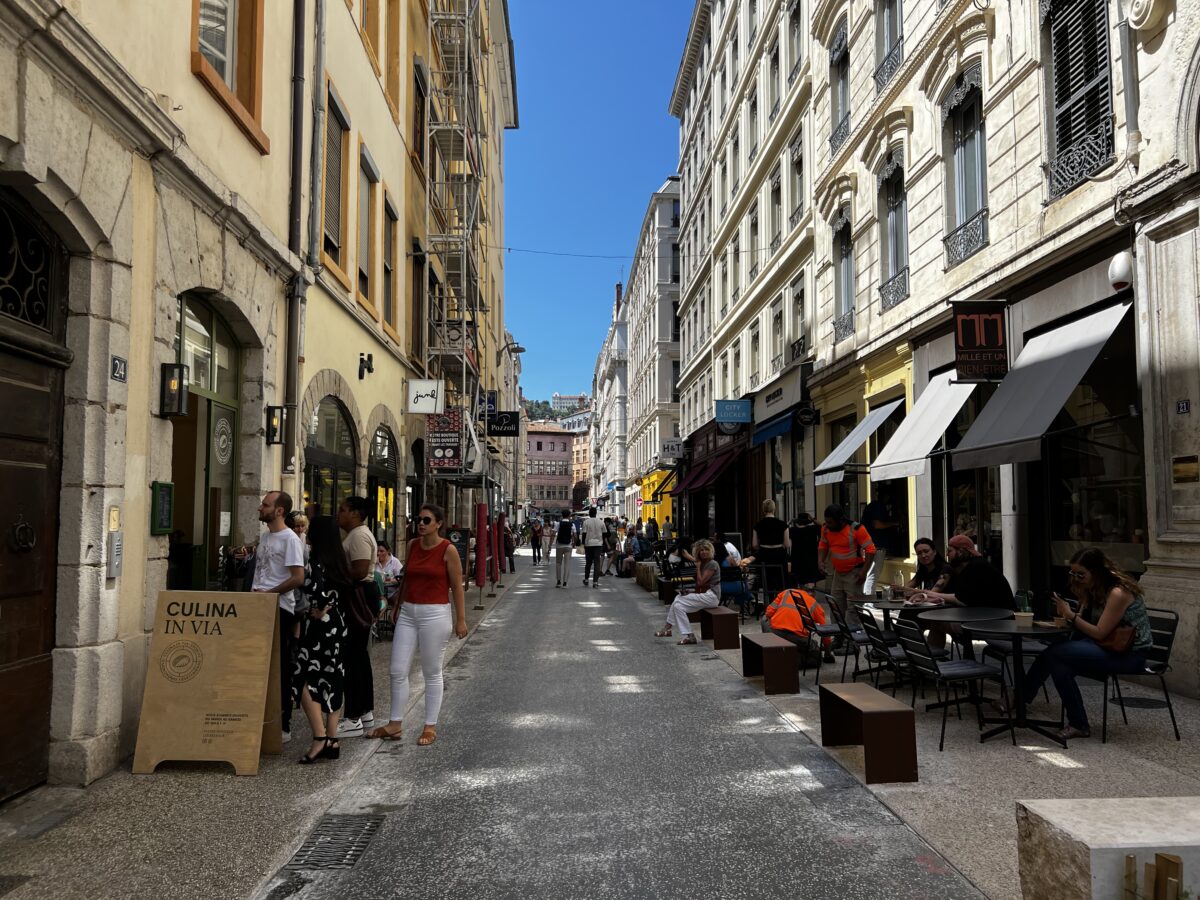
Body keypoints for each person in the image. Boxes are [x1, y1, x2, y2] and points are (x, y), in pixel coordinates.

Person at [1018, 548, 1154, 741]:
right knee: (1059, 665)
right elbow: (1085, 625)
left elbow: (1100, 632)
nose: (1076, 578)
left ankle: (1019, 699)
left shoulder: (1118, 592)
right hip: (1105, 646)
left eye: (1081, 574)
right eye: (1073, 573)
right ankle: (1078, 725)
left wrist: (1070, 614)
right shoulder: (1095, 590)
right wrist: (1075, 607)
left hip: (1129, 654)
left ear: (1097, 572)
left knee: (1055, 652)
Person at [368, 504, 468, 746]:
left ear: (438, 524)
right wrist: (399, 604)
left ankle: (430, 726)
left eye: (426, 520)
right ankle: (395, 723)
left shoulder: (448, 550)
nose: (420, 523)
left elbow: (457, 586)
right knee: (397, 669)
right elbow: (406, 579)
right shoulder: (413, 545)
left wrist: (461, 619)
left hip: (435, 613)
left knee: (431, 671)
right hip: (409, 611)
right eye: (418, 519)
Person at [294, 516, 350, 764]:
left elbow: (315, 589)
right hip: (338, 626)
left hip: (319, 627)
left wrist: (321, 609)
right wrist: (330, 607)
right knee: (333, 676)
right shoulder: (339, 560)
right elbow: (343, 589)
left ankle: (319, 737)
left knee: (304, 678)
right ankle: (332, 737)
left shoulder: (316, 561)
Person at [251, 490, 306, 742]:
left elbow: (297, 577)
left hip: (278, 608)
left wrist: (271, 594)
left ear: (279, 511)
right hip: (259, 606)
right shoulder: (266, 537)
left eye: (265, 505)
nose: (261, 508)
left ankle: (283, 724)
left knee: (281, 666)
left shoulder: (290, 539)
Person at [336, 496, 377, 738]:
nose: (339, 514)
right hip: (361, 595)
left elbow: (360, 570)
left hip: (359, 595)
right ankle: (364, 711)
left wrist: (336, 573)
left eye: (342, 510)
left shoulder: (359, 535)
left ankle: (353, 717)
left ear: (354, 513)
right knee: (358, 657)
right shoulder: (356, 534)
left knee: (352, 657)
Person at [817, 504, 875, 630]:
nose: (828, 525)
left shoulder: (856, 529)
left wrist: (864, 572)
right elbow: (823, 544)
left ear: (840, 520)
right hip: (838, 573)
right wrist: (820, 560)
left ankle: (851, 643)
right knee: (836, 607)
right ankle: (838, 637)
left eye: (831, 522)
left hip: (854, 573)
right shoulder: (826, 529)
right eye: (826, 521)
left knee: (853, 608)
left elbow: (871, 550)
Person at [655, 540, 721, 645]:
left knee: (678, 599)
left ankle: (668, 627)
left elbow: (700, 582)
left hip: (712, 596)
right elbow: (699, 586)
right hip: (704, 595)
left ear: (711, 551)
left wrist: (698, 567)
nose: (703, 552)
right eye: (701, 550)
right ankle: (689, 635)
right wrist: (690, 591)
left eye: (706, 550)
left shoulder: (712, 564)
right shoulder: (703, 563)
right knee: (678, 606)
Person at [762, 587, 836, 665]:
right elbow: (825, 634)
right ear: (814, 595)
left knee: (764, 619)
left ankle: (771, 649)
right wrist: (828, 654)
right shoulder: (816, 605)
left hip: (776, 633)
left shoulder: (786, 592)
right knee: (817, 658)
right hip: (797, 638)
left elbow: (768, 613)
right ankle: (790, 661)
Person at [861, 493, 900, 595]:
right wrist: (895, 523)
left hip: (868, 544)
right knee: (873, 574)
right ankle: (869, 602)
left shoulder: (870, 506)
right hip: (877, 545)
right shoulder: (878, 507)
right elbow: (877, 524)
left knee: (868, 573)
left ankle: (866, 599)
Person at [752, 500, 791, 597]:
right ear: (774, 509)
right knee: (780, 583)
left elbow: (754, 544)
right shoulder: (782, 524)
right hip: (779, 555)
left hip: (764, 555)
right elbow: (787, 544)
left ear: (763, 510)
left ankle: (769, 605)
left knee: (766, 584)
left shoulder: (758, 525)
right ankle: (779, 606)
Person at [788, 513, 822, 587]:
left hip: (797, 561)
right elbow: (821, 526)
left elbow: (783, 530)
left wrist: (790, 521)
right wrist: (813, 519)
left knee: (799, 585)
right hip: (811, 561)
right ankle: (810, 597)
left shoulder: (793, 530)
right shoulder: (813, 529)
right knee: (810, 586)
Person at [581, 507, 607, 587]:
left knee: (588, 563)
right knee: (597, 563)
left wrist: (583, 544)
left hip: (588, 544)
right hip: (598, 545)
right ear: (596, 513)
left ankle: (586, 579)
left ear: (589, 513)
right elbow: (605, 533)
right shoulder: (601, 522)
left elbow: (584, 534)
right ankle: (595, 582)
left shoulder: (586, 522)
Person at [376, 541, 404, 605]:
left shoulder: (395, 562)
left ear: (388, 551)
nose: (378, 553)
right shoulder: (374, 562)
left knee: (399, 602)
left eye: (381, 551)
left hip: (391, 593)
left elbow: (400, 579)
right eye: (377, 551)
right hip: (377, 594)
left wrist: (390, 580)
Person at [553, 515, 574, 587]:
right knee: (567, 564)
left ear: (562, 516)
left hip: (559, 546)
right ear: (569, 516)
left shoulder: (558, 524)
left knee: (558, 563)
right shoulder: (572, 524)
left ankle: (558, 581)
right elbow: (575, 535)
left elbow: (553, 534)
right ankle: (565, 582)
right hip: (568, 546)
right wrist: (574, 543)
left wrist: (550, 544)